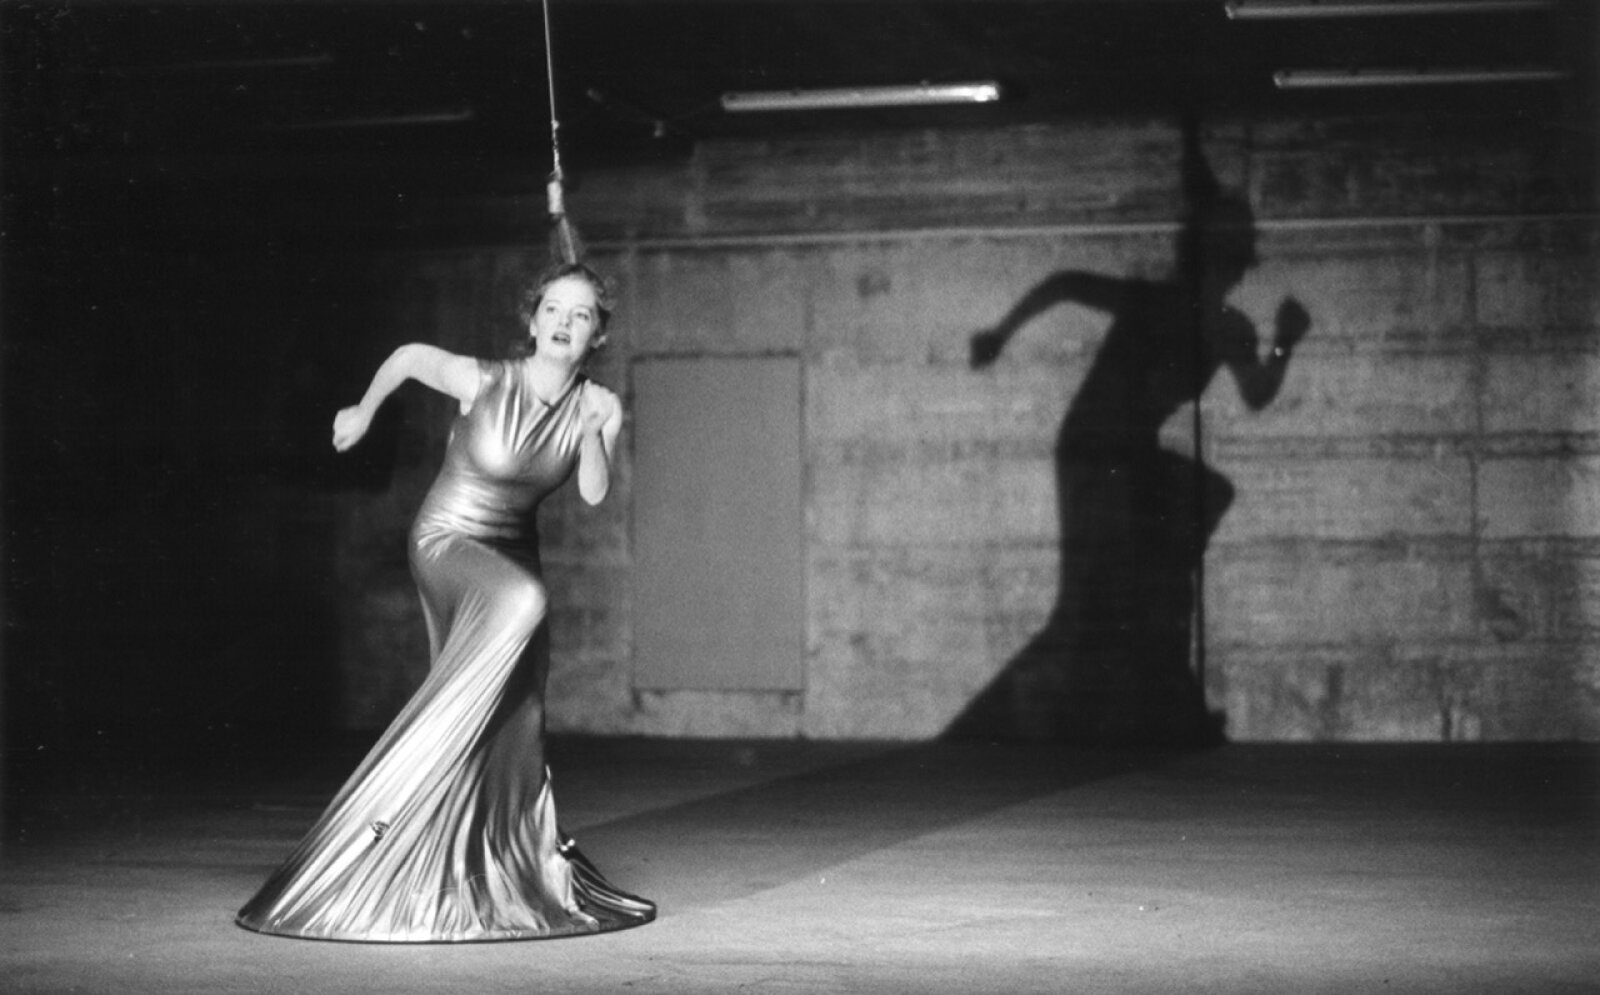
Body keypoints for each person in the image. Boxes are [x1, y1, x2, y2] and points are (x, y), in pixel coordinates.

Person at [237, 262, 656, 942]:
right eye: (553, 308)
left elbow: (593, 493)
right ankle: (393, 792)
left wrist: (592, 432)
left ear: (595, 336)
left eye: (580, 315)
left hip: (513, 554)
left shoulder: (597, 406)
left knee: (518, 711)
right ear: (532, 321)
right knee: (525, 601)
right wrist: (363, 411)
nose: (564, 322)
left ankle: (492, 867)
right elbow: (408, 357)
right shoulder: (484, 379)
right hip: (447, 539)